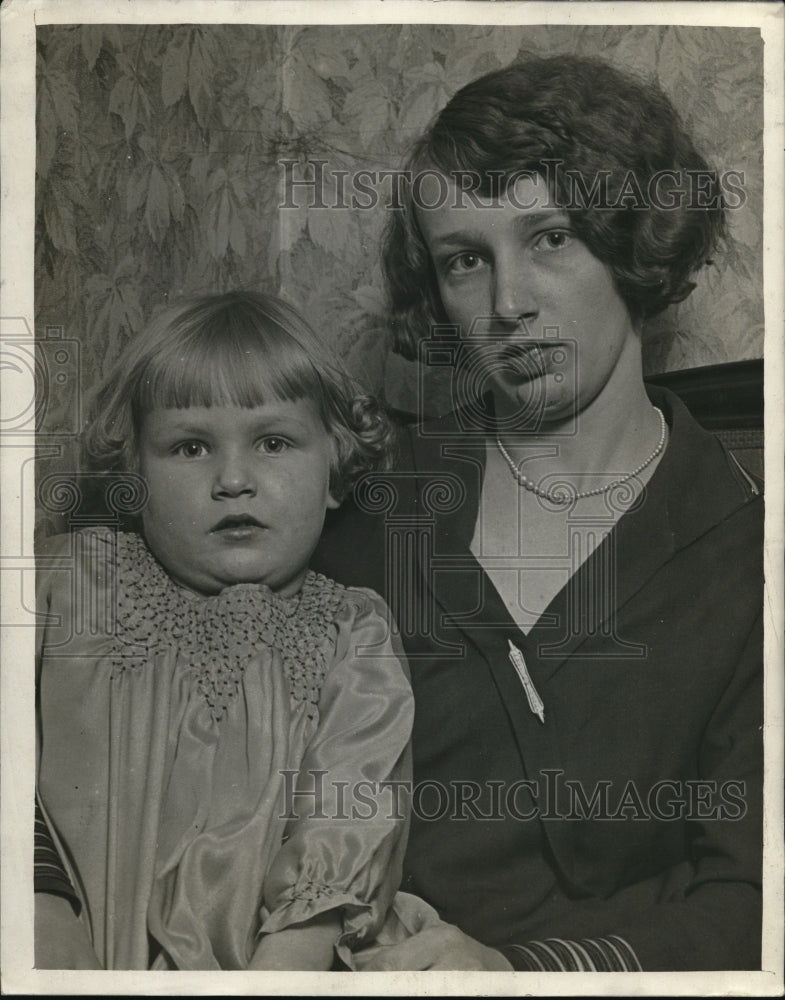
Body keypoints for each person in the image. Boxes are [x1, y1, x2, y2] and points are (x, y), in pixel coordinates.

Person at [312, 54, 763, 971]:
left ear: (633, 240)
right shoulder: (374, 499)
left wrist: (520, 974)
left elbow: (753, 901)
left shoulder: (746, 553)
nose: (507, 304)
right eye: (464, 260)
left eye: (549, 237)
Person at [34, 291, 413, 970]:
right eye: (189, 446)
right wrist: (39, 920)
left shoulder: (351, 634)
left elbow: (347, 816)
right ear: (134, 473)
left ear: (334, 465)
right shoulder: (71, 584)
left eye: (273, 442)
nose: (233, 479)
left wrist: (282, 970)